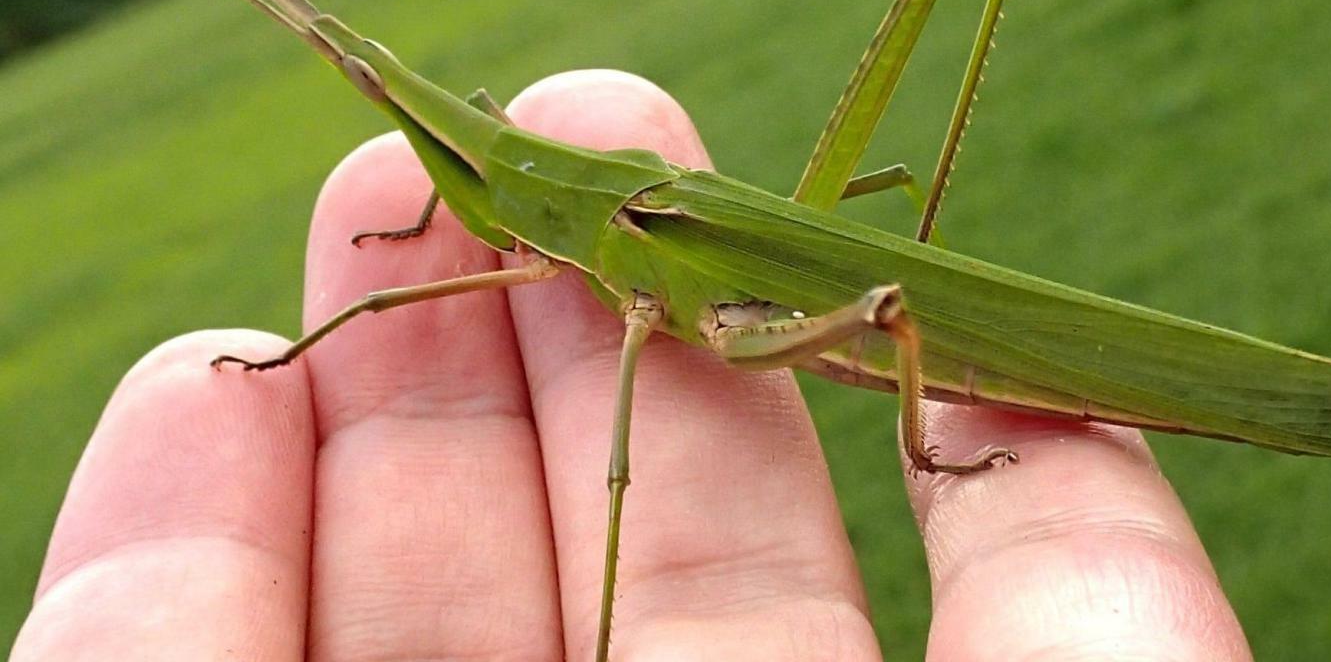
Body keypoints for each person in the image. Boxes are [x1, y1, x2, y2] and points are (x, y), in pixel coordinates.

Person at [16, 70, 1254, 661]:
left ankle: (925, 425)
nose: (454, 173)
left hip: (782, 299)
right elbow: (422, 247)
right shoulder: (517, 201)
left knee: (880, 289)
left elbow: (609, 461)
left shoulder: (592, 255)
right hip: (740, 258)